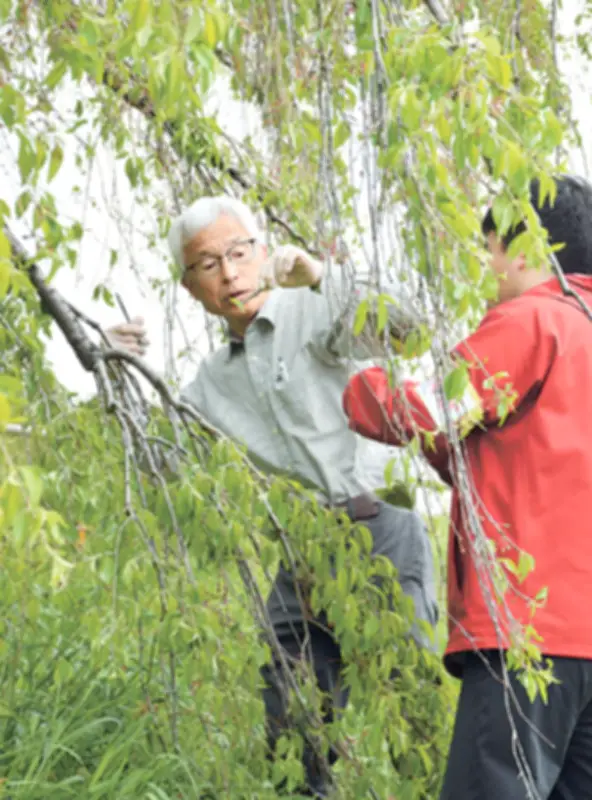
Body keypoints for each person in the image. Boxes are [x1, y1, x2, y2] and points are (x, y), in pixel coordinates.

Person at [106, 195, 438, 797]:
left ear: (262, 252)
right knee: (290, 726)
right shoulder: (209, 385)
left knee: (413, 712)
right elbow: (163, 473)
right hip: (304, 554)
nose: (230, 274)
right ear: (189, 286)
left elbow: (411, 330)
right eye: (209, 264)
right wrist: (118, 374)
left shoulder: (311, 313)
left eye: (238, 253)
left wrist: (324, 277)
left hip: (377, 527)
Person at [342, 174, 592, 799]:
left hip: (529, 632)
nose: (486, 267)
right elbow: (500, 455)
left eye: (489, 249)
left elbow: (429, 410)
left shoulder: (534, 319)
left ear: (529, 248)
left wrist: (359, 378)